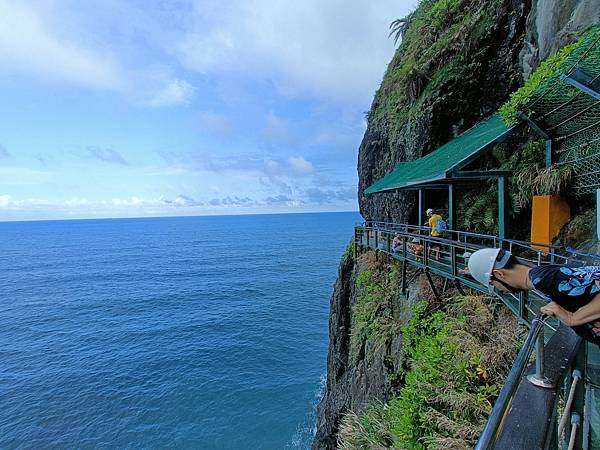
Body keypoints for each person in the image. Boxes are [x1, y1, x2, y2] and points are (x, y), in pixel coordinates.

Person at [468, 247, 600, 346]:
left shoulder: (543, 279)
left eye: (492, 283)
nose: (498, 288)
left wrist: (573, 318)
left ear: (499, 274)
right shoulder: (541, 278)